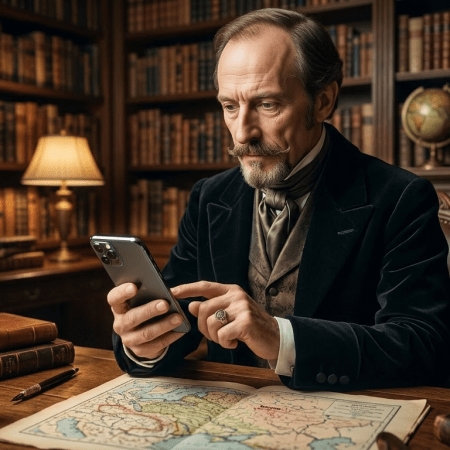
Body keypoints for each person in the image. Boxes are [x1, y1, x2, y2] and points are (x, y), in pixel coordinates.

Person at [108, 8, 450, 390]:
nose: (242, 134)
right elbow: (177, 325)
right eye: (230, 106)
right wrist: (143, 343)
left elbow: (424, 345)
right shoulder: (208, 198)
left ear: (323, 101)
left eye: (267, 104)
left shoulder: (401, 197)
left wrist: (281, 337)